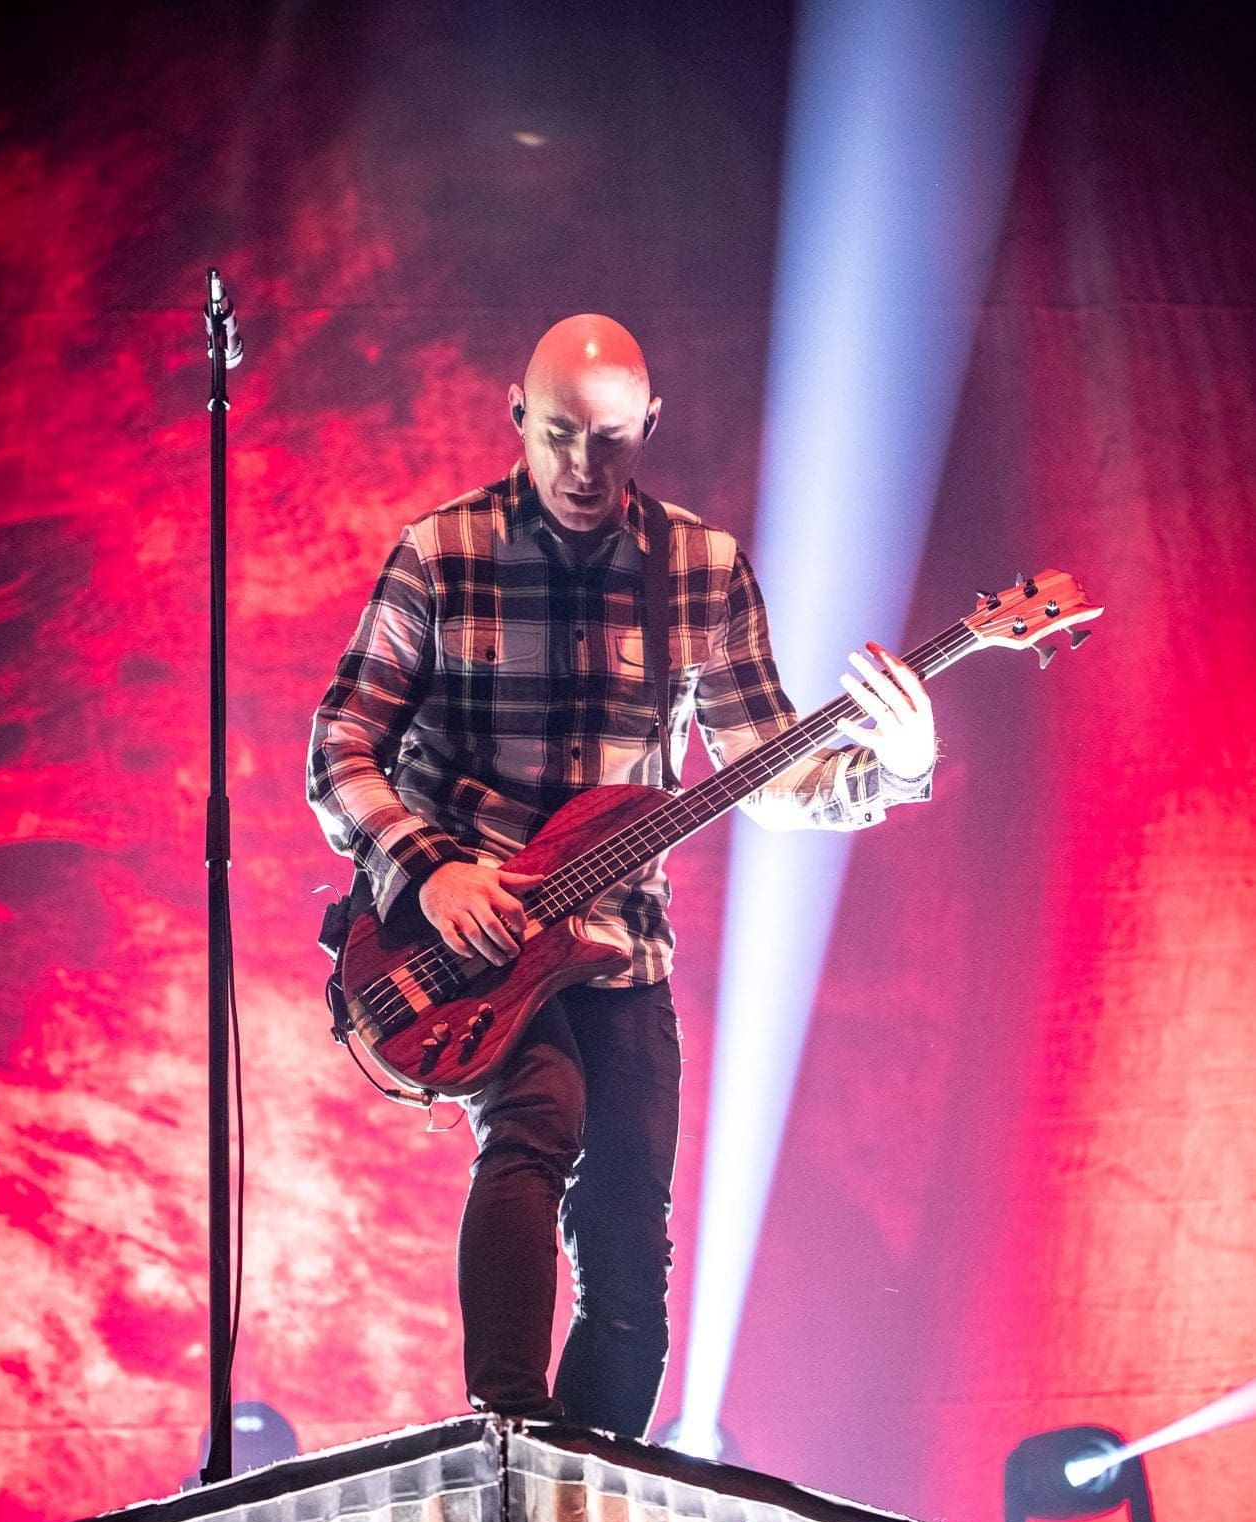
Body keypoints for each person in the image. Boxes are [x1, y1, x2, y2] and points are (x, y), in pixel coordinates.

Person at [307, 314, 936, 1438]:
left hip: (617, 942)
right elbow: (338, 749)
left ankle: (583, 1477)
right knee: (537, 1117)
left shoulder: (698, 570)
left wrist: (896, 767)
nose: (583, 468)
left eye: (608, 439)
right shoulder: (441, 553)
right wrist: (433, 872)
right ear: (515, 418)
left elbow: (767, 776)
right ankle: (504, 1434)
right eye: (557, 436)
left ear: (649, 425)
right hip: (464, 936)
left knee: (633, 1251)